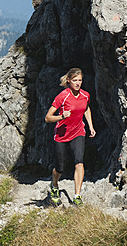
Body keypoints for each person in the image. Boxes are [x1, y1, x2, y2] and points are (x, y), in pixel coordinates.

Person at [44, 68, 96, 206]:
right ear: (69, 81)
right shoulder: (63, 96)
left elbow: (86, 108)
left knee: (79, 162)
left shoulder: (85, 95)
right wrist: (61, 116)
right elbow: (47, 118)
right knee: (60, 168)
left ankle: (77, 196)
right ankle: (54, 186)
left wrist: (90, 126)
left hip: (78, 132)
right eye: (75, 80)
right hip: (62, 135)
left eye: (80, 80)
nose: (78, 83)